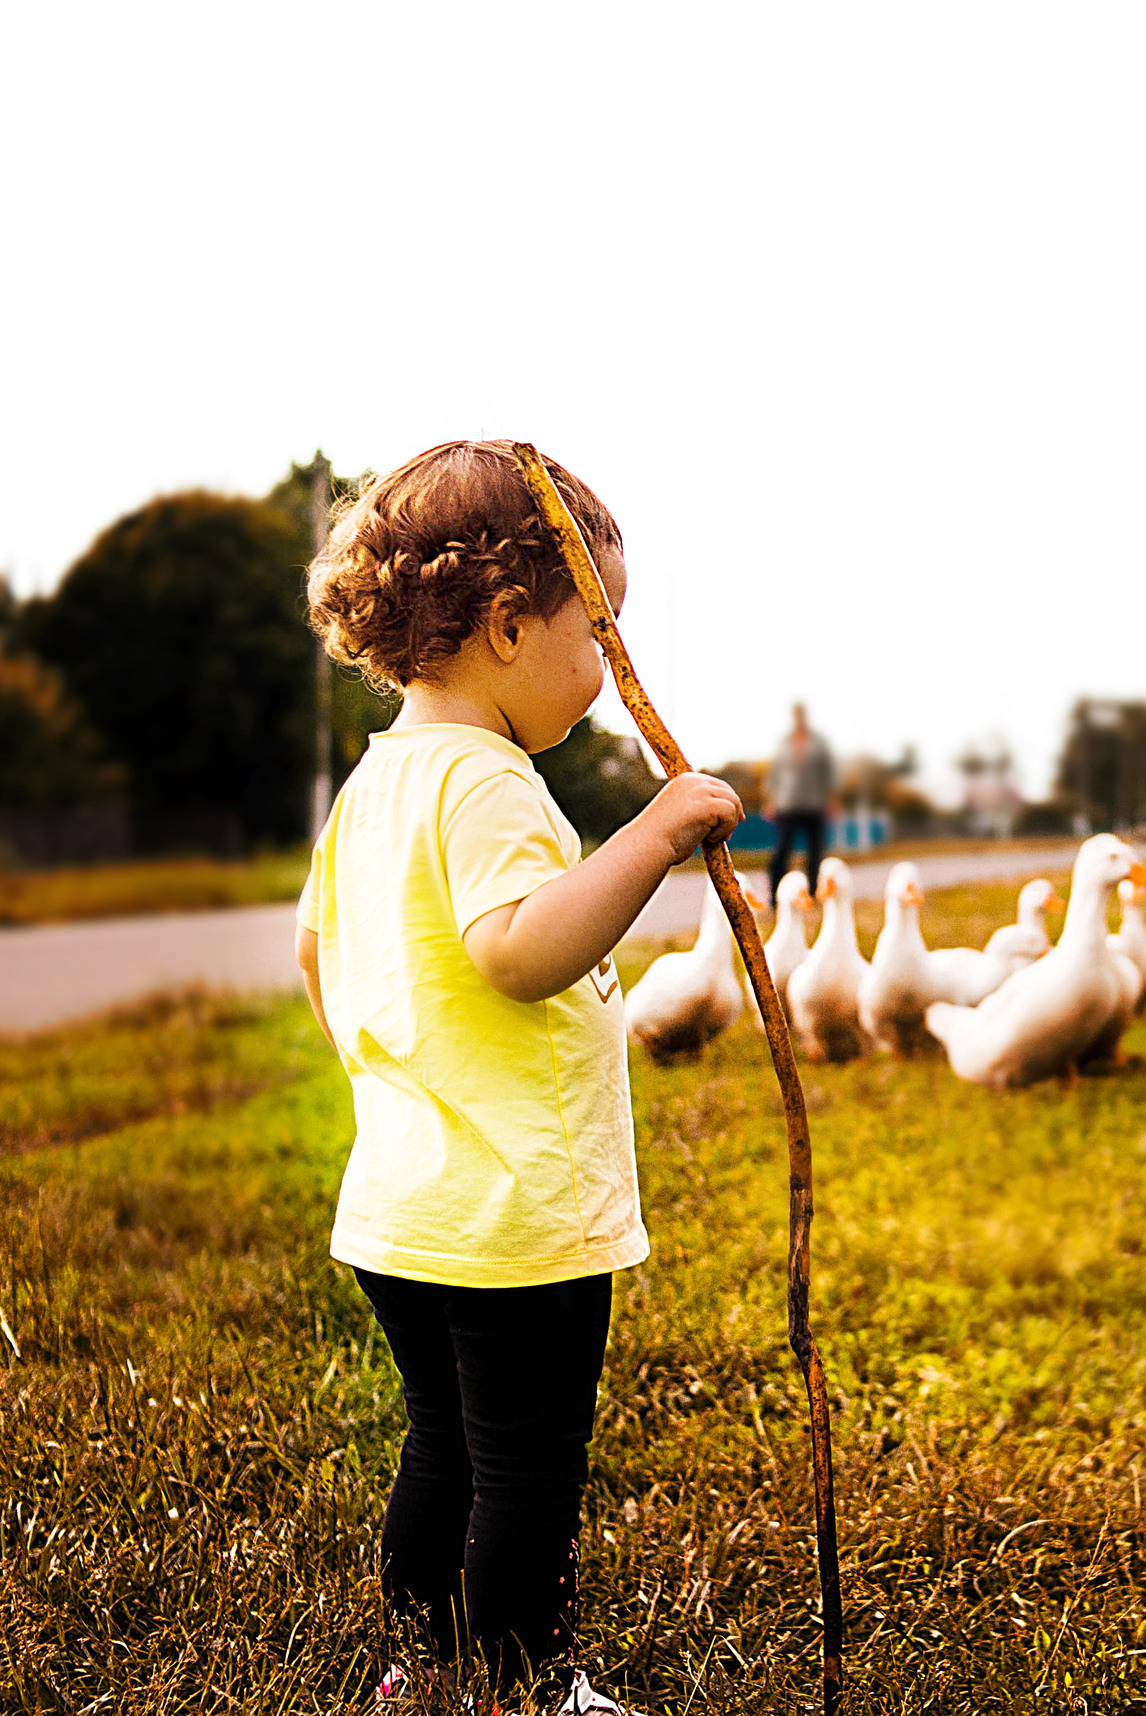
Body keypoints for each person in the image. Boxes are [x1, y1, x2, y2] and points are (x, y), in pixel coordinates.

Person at [297, 440, 742, 1713]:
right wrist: (654, 834)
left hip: (408, 1205)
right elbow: (516, 950)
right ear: (506, 627)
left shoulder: (374, 785)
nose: (608, 667)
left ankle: (423, 1668)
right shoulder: (485, 781)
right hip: (513, 1218)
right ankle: (526, 1689)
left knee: (441, 1448)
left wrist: (391, 1077)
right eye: (598, 632)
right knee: (527, 1476)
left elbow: (316, 952)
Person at [766, 703, 835, 899]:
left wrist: (832, 799)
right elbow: (775, 773)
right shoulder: (785, 743)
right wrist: (771, 800)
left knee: (816, 853)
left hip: (815, 804)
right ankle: (776, 895)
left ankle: (813, 894)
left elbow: (827, 772)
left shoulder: (818, 743)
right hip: (788, 804)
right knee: (782, 850)